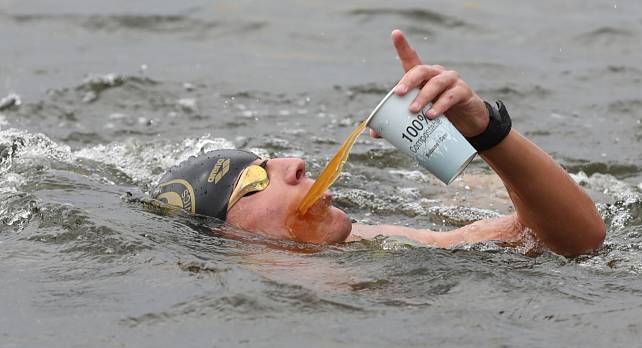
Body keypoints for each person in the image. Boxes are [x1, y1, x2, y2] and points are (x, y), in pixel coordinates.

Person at [153, 30, 605, 257]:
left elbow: (574, 241)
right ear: (225, 238)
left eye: (268, 161)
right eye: (254, 178)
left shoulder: (373, 245)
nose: (294, 163)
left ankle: (472, 184)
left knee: (469, 196)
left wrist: (485, 131)